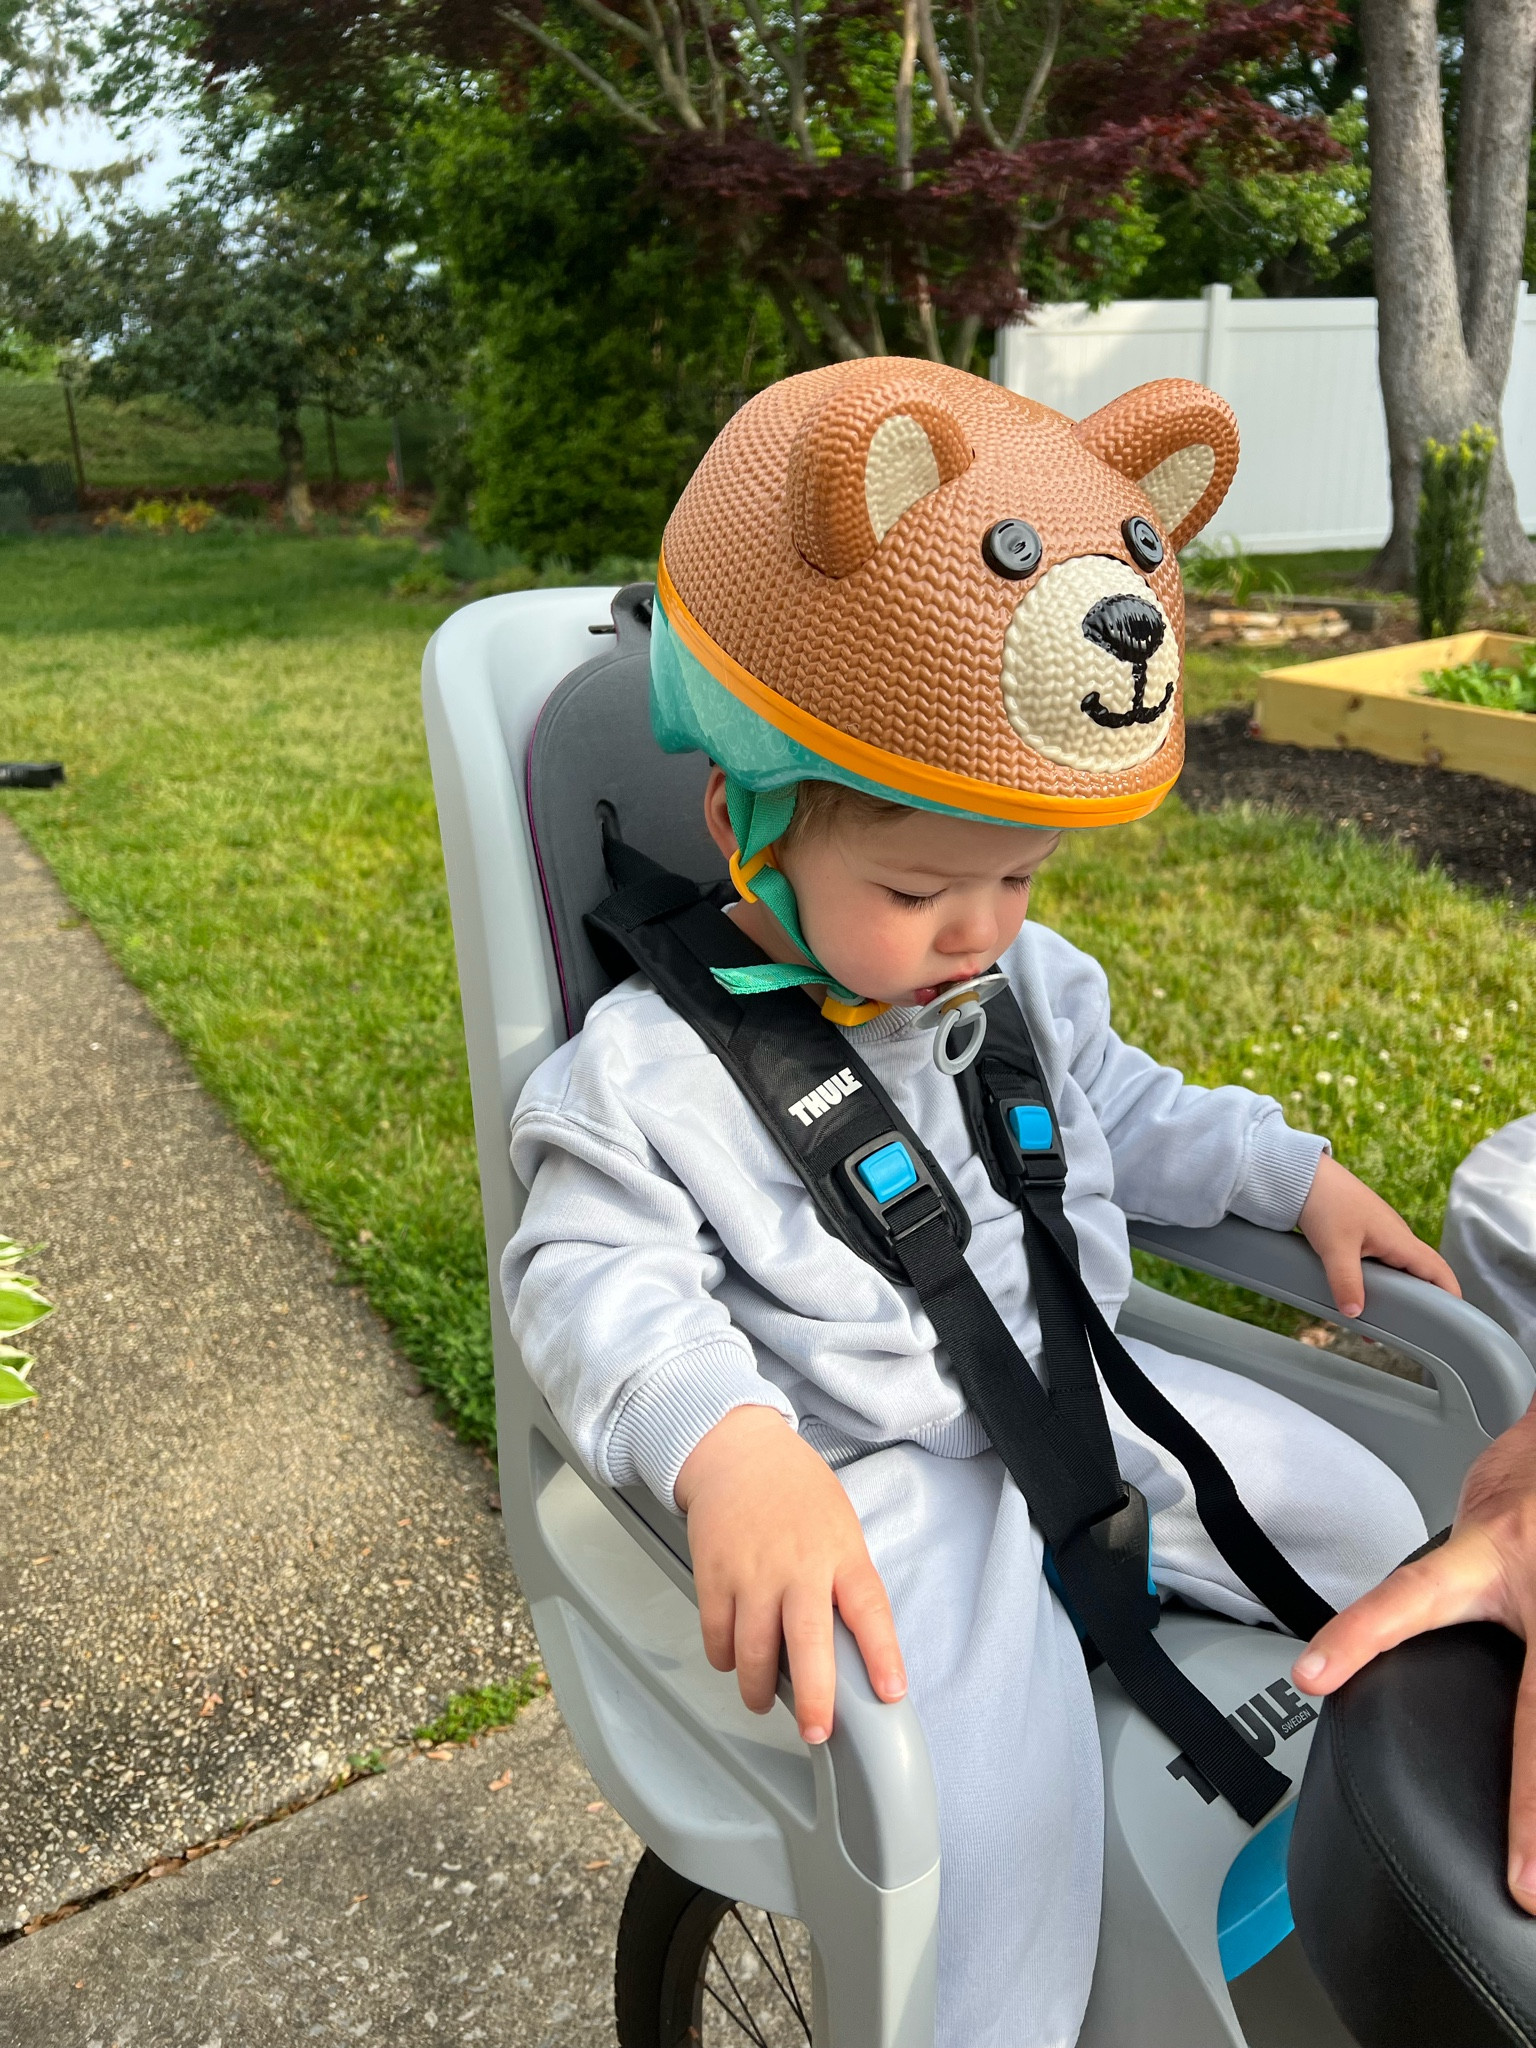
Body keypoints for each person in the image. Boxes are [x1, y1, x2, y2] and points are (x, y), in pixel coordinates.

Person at [503, 361, 1536, 2044]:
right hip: (886, 1481)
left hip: (1089, 1388)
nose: (980, 927)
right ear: (743, 828)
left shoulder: (1018, 979)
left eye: (1020, 874)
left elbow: (1131, 1105)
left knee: (1371, 1527)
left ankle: (1353, 1918)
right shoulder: (646, 1077)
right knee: (991, 1850)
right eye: (919, 886)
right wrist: (731, 1449)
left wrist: (1291, 1174)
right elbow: (588, 1276)